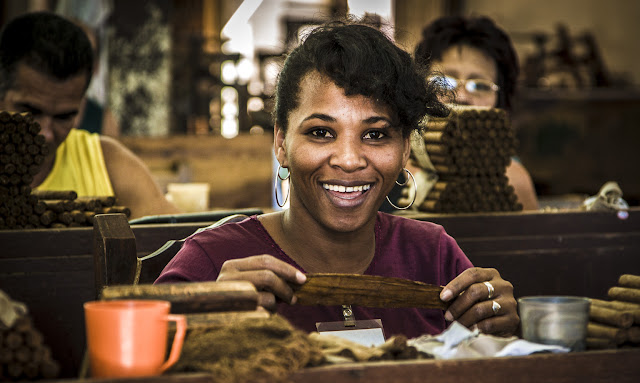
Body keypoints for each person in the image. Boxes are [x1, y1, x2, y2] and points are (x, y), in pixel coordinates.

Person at [156, 21, 519, 338]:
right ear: (281, 142)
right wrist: (203, 325)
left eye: (376, 135)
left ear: (406, 148)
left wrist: (501, 326)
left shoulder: (433, 256)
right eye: (320, 132)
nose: (348, 160)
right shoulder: (212, 260)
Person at [0, 11, 179, 219]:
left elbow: (181, 242)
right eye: (31, 112)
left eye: (64, 117)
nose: (46, 133)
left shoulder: (110, 165)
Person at [414, 15, 539, 211]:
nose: (461, 96)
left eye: (480, 85)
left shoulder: (512, 182)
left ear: (500, 102)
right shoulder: (390, 168)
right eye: (444, 82)